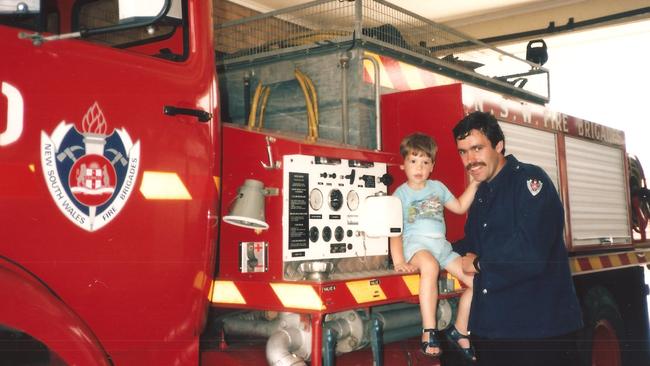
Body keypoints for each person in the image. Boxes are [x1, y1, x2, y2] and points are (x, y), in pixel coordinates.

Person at [452, 111, 583, 366]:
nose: (470, 160)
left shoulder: (529, 181)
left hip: (537, 334)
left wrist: (480, 264)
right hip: (495, 331)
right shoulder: (482, 194)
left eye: (477, 148)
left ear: (499, 145)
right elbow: (472, 245)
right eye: (463, 152)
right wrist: (431, 248)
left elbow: (530, 254)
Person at [390, 132, 479, 362]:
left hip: (443, 249)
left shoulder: (438, 188)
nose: (419, 167)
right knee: (429, 266)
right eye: (413, 161)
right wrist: (399, 261)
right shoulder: (400, 195)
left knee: (478, 282)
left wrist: (476, 183)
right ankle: (429, 331)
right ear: (403, 165)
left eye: (425, 162)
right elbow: (395, 231)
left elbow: (459, 206)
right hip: (417, 248)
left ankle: (459, 329)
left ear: (432, 166)